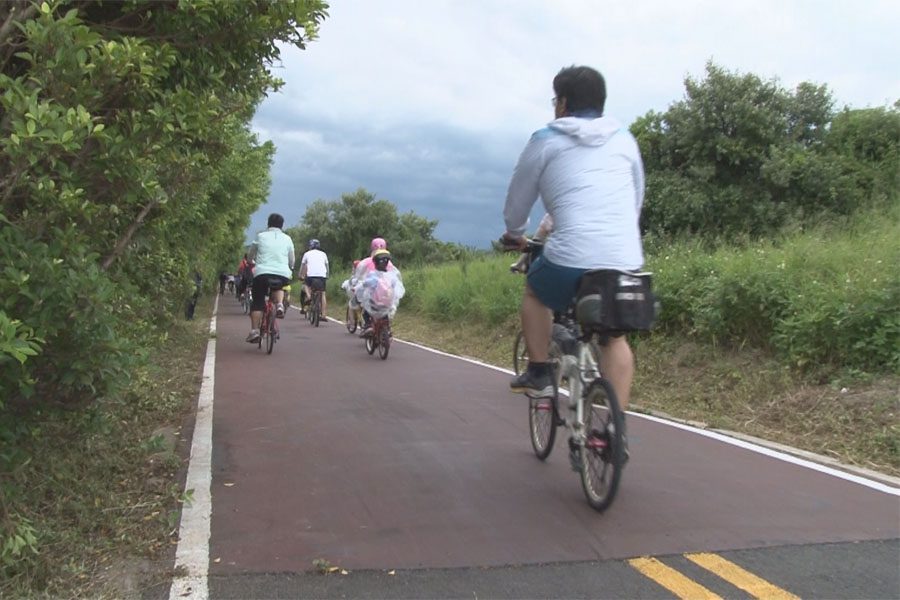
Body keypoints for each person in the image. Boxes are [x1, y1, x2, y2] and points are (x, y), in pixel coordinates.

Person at [501, 65, 645, 418]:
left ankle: (538, 372)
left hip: (572, 258)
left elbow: (517, 202)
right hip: (624, 259)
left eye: (555, 100)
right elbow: (636, 197)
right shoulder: (624, 139)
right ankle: (614, 428)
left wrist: (516, 233)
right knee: (615, 337)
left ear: (562, 103)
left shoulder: (544, 139)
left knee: (535, 292)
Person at [246, 213, 295, 342]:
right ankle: (279, 304)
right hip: (282, 273)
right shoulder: (287, 239)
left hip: (262, 273)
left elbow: (251, 254)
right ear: (282, 225)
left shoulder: (260, 236)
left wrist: (251, 261)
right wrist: (291, 266)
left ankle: (255, 331)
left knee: (257, 302)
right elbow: (292, 259)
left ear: (268, 224)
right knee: (279, 286)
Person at [299, 238, 330, 321]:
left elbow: (302, 266)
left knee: (306, 285)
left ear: (310, 246)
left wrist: (300, 275)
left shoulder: (307, 254)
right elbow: (327, 267)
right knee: (323, 294)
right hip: (322, 277)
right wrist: (327, 275)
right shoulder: (323, 254)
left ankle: (309, 297)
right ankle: (323, 314)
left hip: (310, 276)